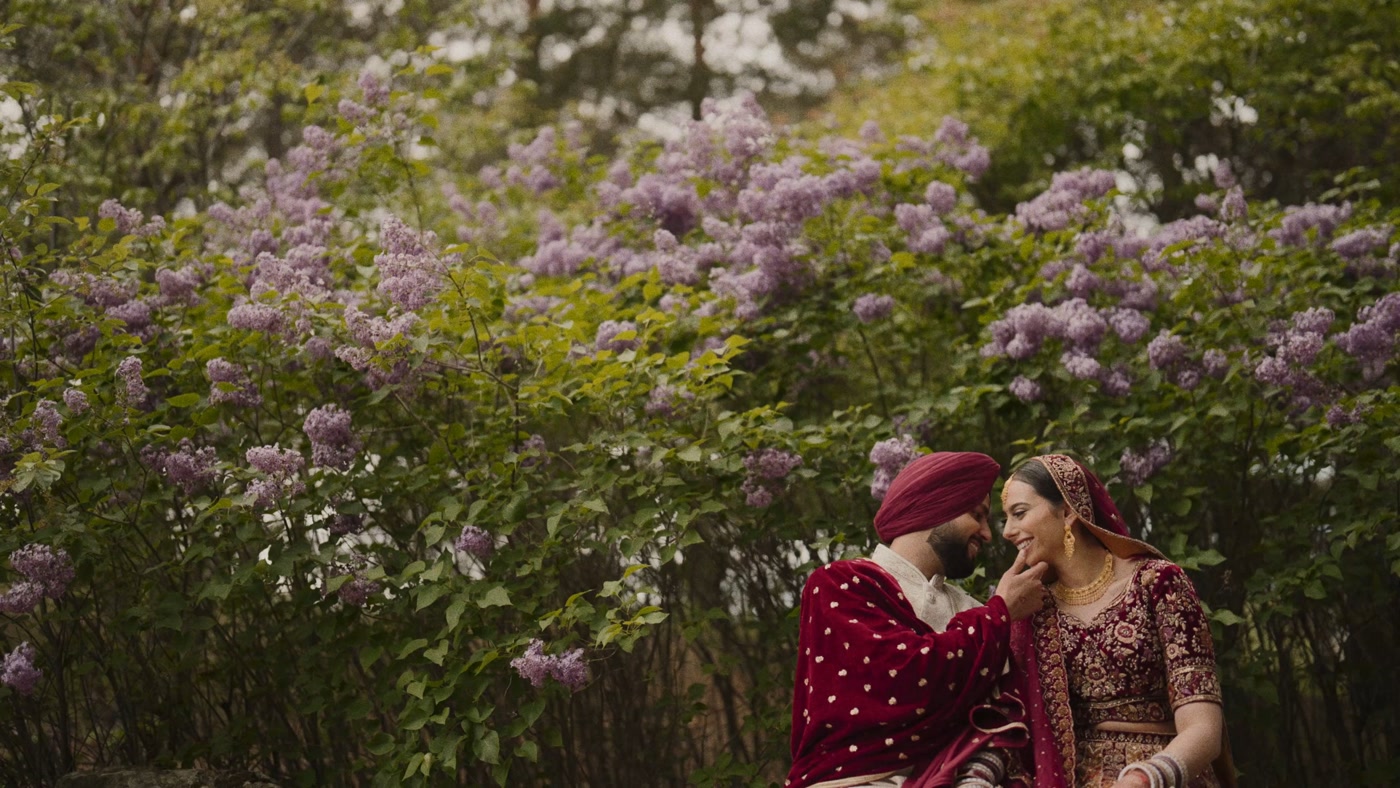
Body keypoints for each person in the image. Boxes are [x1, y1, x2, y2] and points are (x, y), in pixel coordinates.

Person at [788, 451, 1050, 788]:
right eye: (977, 515)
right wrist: (1001, 612)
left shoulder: (973, 610)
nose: (987, 534)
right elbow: (905, 673)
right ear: (936, 506)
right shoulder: (840, 583)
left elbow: (1001, 715)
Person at [998, 454, 1235, 788]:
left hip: (1164, 775)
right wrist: (1001, 612)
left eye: (1019, 514)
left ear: (1067, 512)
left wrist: (1144, 777)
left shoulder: (1157, 584)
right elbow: (1010, 729)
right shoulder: (1032, 611)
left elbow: (1205, 730)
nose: (1007, 531)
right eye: (1005, 519)